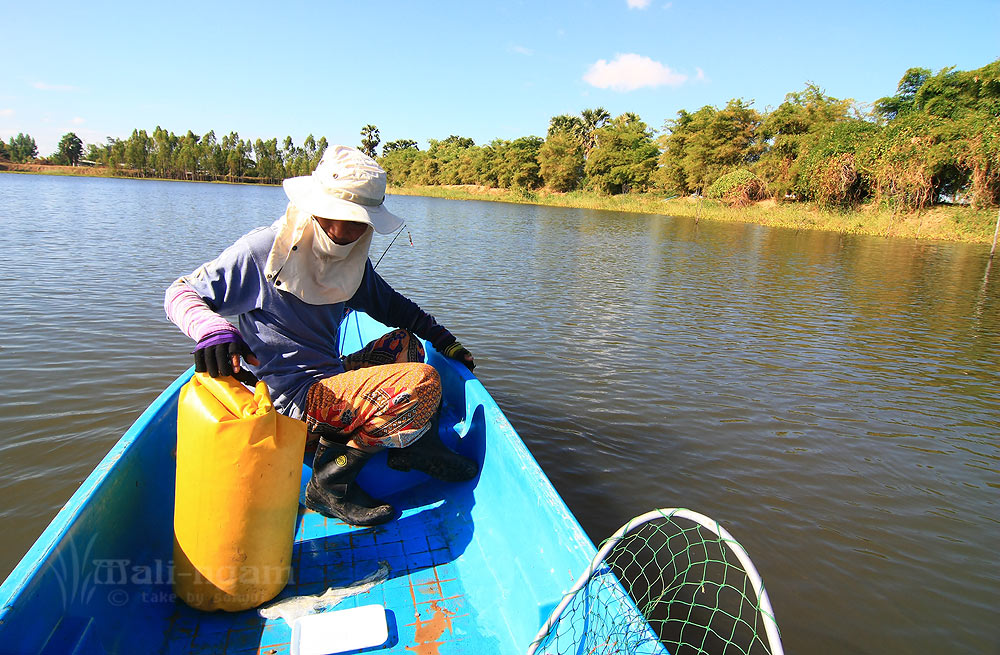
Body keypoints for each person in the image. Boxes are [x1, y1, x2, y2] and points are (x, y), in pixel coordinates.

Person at [164, 145, 477, 527]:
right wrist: (213, 330)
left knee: (406, 345)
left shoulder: (352, 264)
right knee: (424, 382)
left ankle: (410, 447)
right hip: (290, 406)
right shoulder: (262, 251)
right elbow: (181, 292)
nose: (342, 232)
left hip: (329, 381)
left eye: (357, 222)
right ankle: (332, 481)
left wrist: (446, 341)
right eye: (334, 217)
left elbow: (397, 308)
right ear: (314, 205)